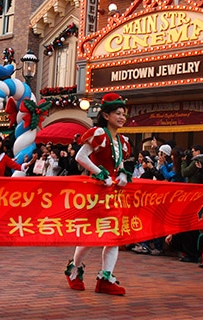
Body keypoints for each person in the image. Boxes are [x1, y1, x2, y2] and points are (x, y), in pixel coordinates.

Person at [64, 92, 131, 296]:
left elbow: (119, 164)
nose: (121, 117)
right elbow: (81, 157)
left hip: (113, 192)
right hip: (96, 191)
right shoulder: (99, 134)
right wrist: (100, 173)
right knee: (92, 236)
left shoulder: (122, 140)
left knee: (114, 236)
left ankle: (106, 278)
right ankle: (74, 269)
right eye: (117, 113)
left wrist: (122, 175)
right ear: (106, 115)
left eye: (123, 114)